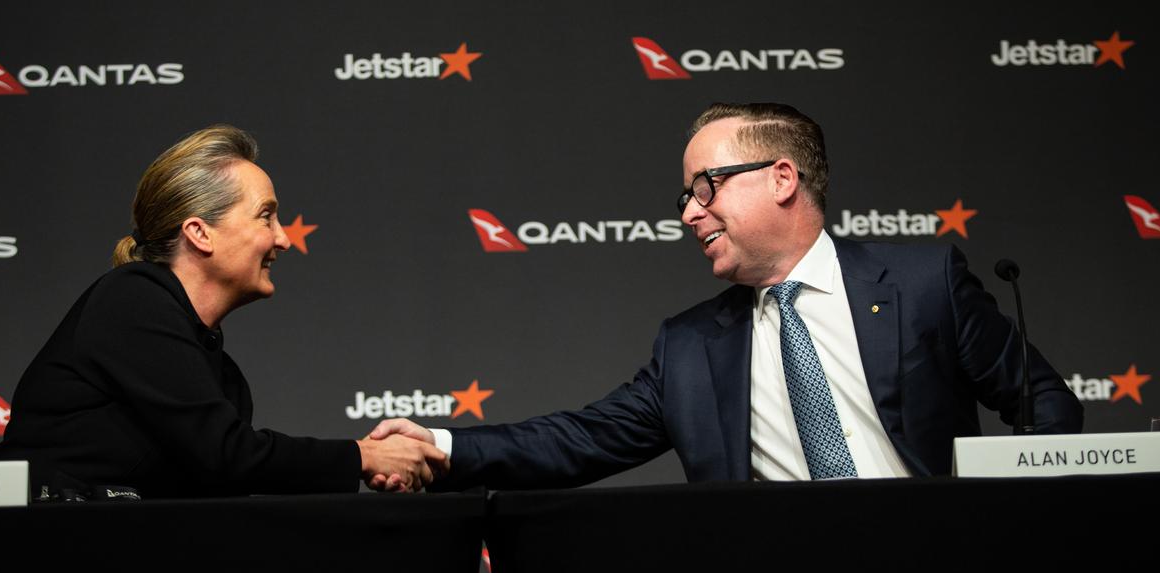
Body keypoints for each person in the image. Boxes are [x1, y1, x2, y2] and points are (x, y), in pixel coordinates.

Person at [368, 102, 1083, 490]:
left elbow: (1044, 400)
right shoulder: (689, 347)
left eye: (705, 188)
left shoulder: (924, 284)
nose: (689, 213)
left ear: (781, 178)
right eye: (685, 196)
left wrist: (1008, 524)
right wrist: (444, 443)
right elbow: (579, 440)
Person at [0, 124, 444, 499]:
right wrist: (363, 457)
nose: (283, 239)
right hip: (39, 566)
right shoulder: (132, 298)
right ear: (200, 233)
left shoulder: (222, 374)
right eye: (266, 216)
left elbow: (224, 475)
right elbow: (228, 455)